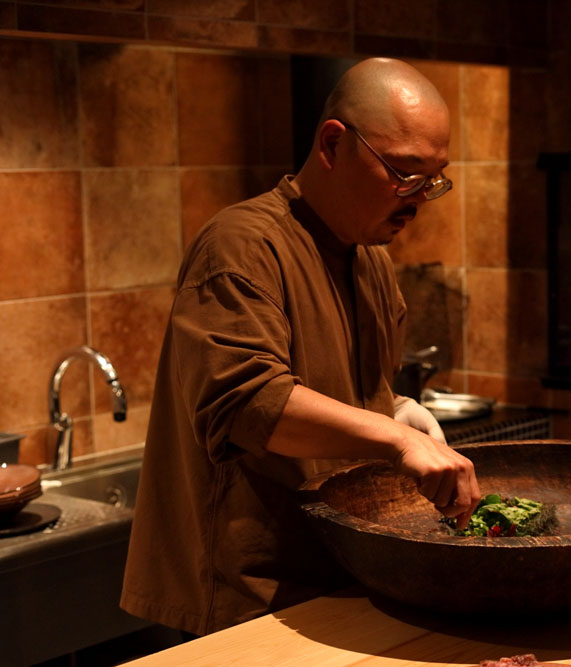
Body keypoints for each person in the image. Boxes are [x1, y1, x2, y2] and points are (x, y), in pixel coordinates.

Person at [120, 57, 481, 636]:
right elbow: (246, 404)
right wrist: (394, 439)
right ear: (333, 145)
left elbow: (347, 394)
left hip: (333, 576)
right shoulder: (241, 245)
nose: (419, 198)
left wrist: (395, 411)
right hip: (244, 595)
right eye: (404, 173)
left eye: (433, 179)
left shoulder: (371, 261)